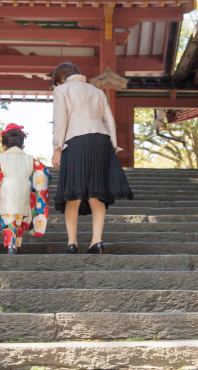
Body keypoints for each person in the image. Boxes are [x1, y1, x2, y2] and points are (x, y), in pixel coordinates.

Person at [51, 62, 133, 254]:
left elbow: (60, 121)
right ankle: (96, 241)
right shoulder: (98, 91)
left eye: (56, 83)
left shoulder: (62, 90)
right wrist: (112, 146)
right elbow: (109, 120)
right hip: (101, 141)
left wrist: (57, 148)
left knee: (72, 193)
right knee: (97, 193)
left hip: (76, 141)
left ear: (61, 79)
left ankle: (72, 243)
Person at [0, 124, 51, 254]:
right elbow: (45, 174)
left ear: (3, 146)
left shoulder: (1, 159)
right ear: (22, 146)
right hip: (23, 196)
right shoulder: (31, 160)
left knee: (9, 220)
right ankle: (16, 244)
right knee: (18, 219)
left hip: (7, 197)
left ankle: (10, 245)